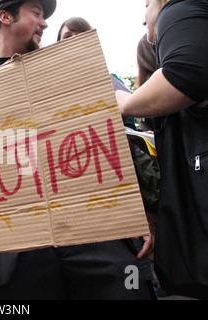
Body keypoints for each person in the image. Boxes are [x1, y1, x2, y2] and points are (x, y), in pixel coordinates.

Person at [0, 0, 155, 300]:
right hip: (12, 252)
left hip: (92, 238)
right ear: (5, 16)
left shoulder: (65, 67)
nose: (45, 23)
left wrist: (135, 213)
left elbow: (105, 139)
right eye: (36, 13)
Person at [116, 0, 208, 299]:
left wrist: (125, 103)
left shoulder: (178, 8)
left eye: (146, 4)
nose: (144, 18)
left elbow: (185, 73)